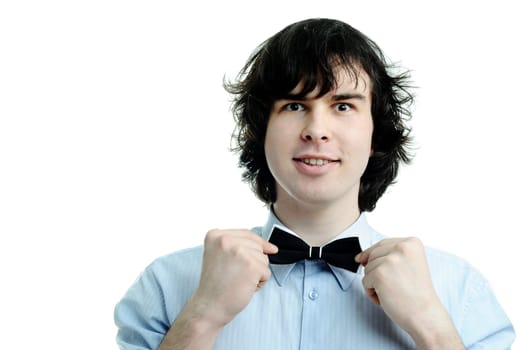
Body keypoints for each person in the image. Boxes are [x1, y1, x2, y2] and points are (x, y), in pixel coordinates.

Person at [114, 18, 515, 349]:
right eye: (294, 105)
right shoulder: (167, 286)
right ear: (261, 130)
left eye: (343, 105)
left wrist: (433, 328)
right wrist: (201, 319)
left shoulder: (461, 292)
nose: (316, 130)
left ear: (377, 133)